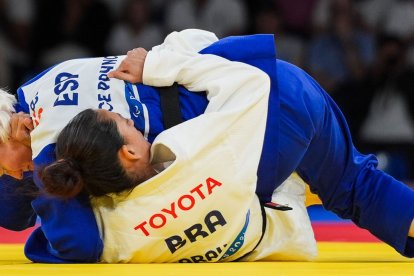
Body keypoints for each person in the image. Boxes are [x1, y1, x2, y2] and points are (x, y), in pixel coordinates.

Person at [1, 29, 413, 262]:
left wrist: (34, 174)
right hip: (269, 72)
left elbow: (75, 241)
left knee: (190, 219)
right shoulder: (47, 79)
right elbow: (16, 209)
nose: (16, 175)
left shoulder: (48, 149)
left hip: (255, 121)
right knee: (357, 184)